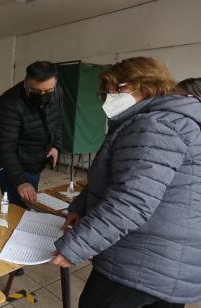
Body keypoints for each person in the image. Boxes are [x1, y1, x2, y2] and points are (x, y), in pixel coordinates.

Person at [51, 57, 201, 307]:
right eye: (106, 91)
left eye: (115, 89)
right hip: (165, 257)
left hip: (143, 262)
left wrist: (78, 245)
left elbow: (132, 201)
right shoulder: (164, 121)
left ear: (145, 85)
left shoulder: (156, 125)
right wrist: (79, 207)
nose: (109, 96)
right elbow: (121, 178)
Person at [0, 61, 62, 208]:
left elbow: (58, 120)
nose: (43, 95)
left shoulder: (56, 92)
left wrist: (55, 145)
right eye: (37, 91)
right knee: (17, 206)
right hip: (14, 163)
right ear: (26, 82)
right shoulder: (9, 103)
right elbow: (5, 147)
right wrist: (20, 181)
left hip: (36, 159)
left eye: (47, 91)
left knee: (30, 202)